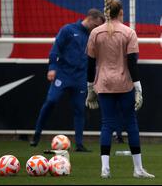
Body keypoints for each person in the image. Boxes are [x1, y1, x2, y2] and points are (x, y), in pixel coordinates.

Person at [85, 0, 154, 179]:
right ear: (121, 12)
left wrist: (90, 88)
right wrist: (138, 88)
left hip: (104, 84)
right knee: (131, 124)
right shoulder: (128, 33)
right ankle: (138, 169)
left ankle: (105, 169)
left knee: (107, 124)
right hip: (124, 84)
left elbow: (90, 64)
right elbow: (132, 64)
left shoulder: (95, 33)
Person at [30, 9, 106, 151]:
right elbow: (55, 49)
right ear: (89, 19)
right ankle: (36, 135)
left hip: (80, 78)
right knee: (51, 101)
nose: (97, 29)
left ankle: (79, 144)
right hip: (63, 75)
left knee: (79, 109)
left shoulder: (94, 36)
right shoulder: (68, 30)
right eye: (96, 26)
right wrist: (52, 67)